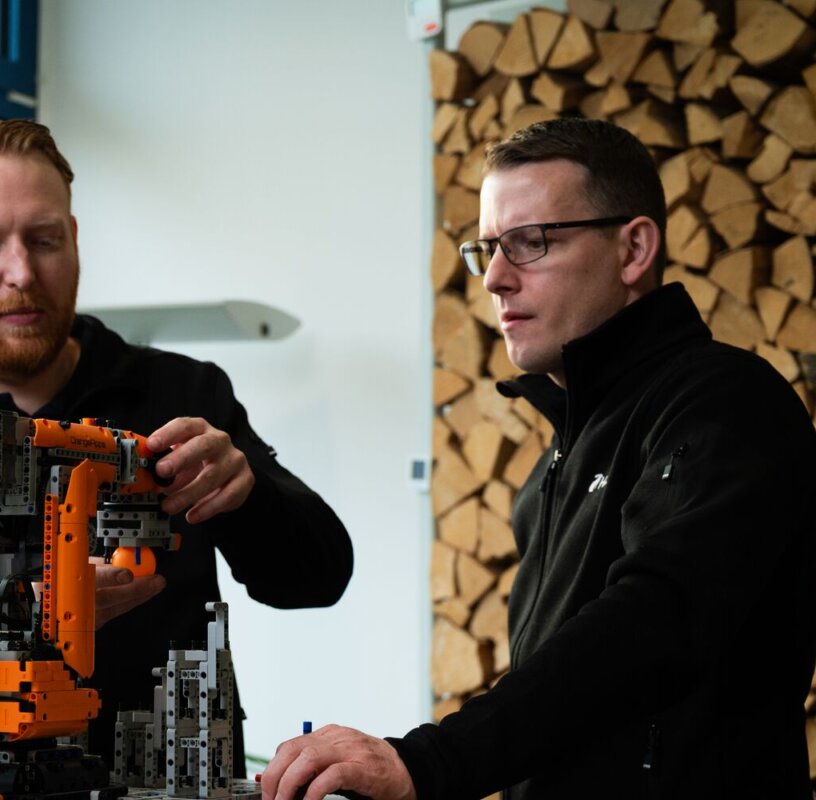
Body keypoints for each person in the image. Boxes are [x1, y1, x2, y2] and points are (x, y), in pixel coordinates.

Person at [262, 117, 816, 799]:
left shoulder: (726, 402)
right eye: (487, 249)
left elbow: (654, 622)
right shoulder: (554, 463)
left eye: (530, 242)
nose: (495, 279)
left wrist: (431, 763)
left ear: (634, 249)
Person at [0, 118, 353, 765]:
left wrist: (247, 497)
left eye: (45, 239)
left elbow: (317, 579)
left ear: (75, 241)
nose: (22, 272)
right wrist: (13, 611)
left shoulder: (183, 392)